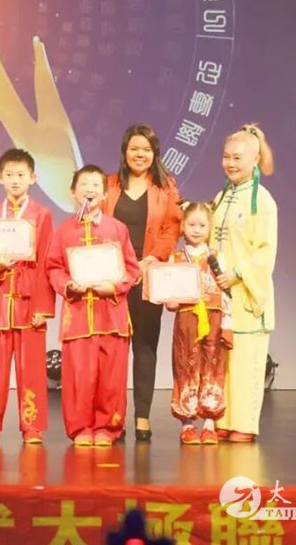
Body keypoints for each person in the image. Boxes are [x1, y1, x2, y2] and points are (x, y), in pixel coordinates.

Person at [46, 165, 140, 446]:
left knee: (111, 377)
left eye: (96, 185)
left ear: (106, 193)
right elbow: (53, 267)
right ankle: (81, 428)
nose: (90, 189)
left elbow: (132, 269)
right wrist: (67, 285)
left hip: (112, 314)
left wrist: (114, 287)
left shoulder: (117, 229)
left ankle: (107, 428)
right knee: (79, 377)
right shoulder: (64, 231)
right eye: (84, 184)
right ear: (73, 192)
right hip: (78, 315)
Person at [0, 149, 54, 444]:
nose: (15, 180)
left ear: (33, 178)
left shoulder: (41, 215)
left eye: (21, 175)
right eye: (10, 175)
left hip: (29, 301)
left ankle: (32, 426)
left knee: (32, 369)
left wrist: (43, 306)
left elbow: (46, 261)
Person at [102, 123, 182, 441]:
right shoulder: (108, 184)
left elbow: (172, 228)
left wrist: (153, 257)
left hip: (148, 275)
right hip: (114, 277)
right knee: (113, 349)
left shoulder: (166, 187)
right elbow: (92, 222)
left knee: (145, 347)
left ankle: (142, 417)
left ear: (155, 153)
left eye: (146, 149)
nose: (140, 154)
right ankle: (113, 416)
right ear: (125, 151)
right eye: (134, 148)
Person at [210, 124, 277, 443]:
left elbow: (266, 251)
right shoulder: (222, 196)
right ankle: (223, 419)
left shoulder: (262, 200)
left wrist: (237, 272)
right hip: (221, 294)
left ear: (255, 159)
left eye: (238, 157)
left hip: (246, 293)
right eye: (226, 156)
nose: (230, 163)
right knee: (223, 360)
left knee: (246, 360)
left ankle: (245, 424)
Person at [161, 201, 232, 445]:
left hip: (213, 317)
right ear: (182, 226)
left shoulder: (217, 257)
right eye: (192, 224)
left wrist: (228, 324)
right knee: (185, 364)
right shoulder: (176, 257)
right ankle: (187, 423)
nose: (197, 230)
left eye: (202, 225)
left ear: (210, 228)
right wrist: (170, 301)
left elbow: (226, 293)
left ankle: (210, 422)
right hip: (187, 318)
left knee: (212, 365)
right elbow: (168, 294)